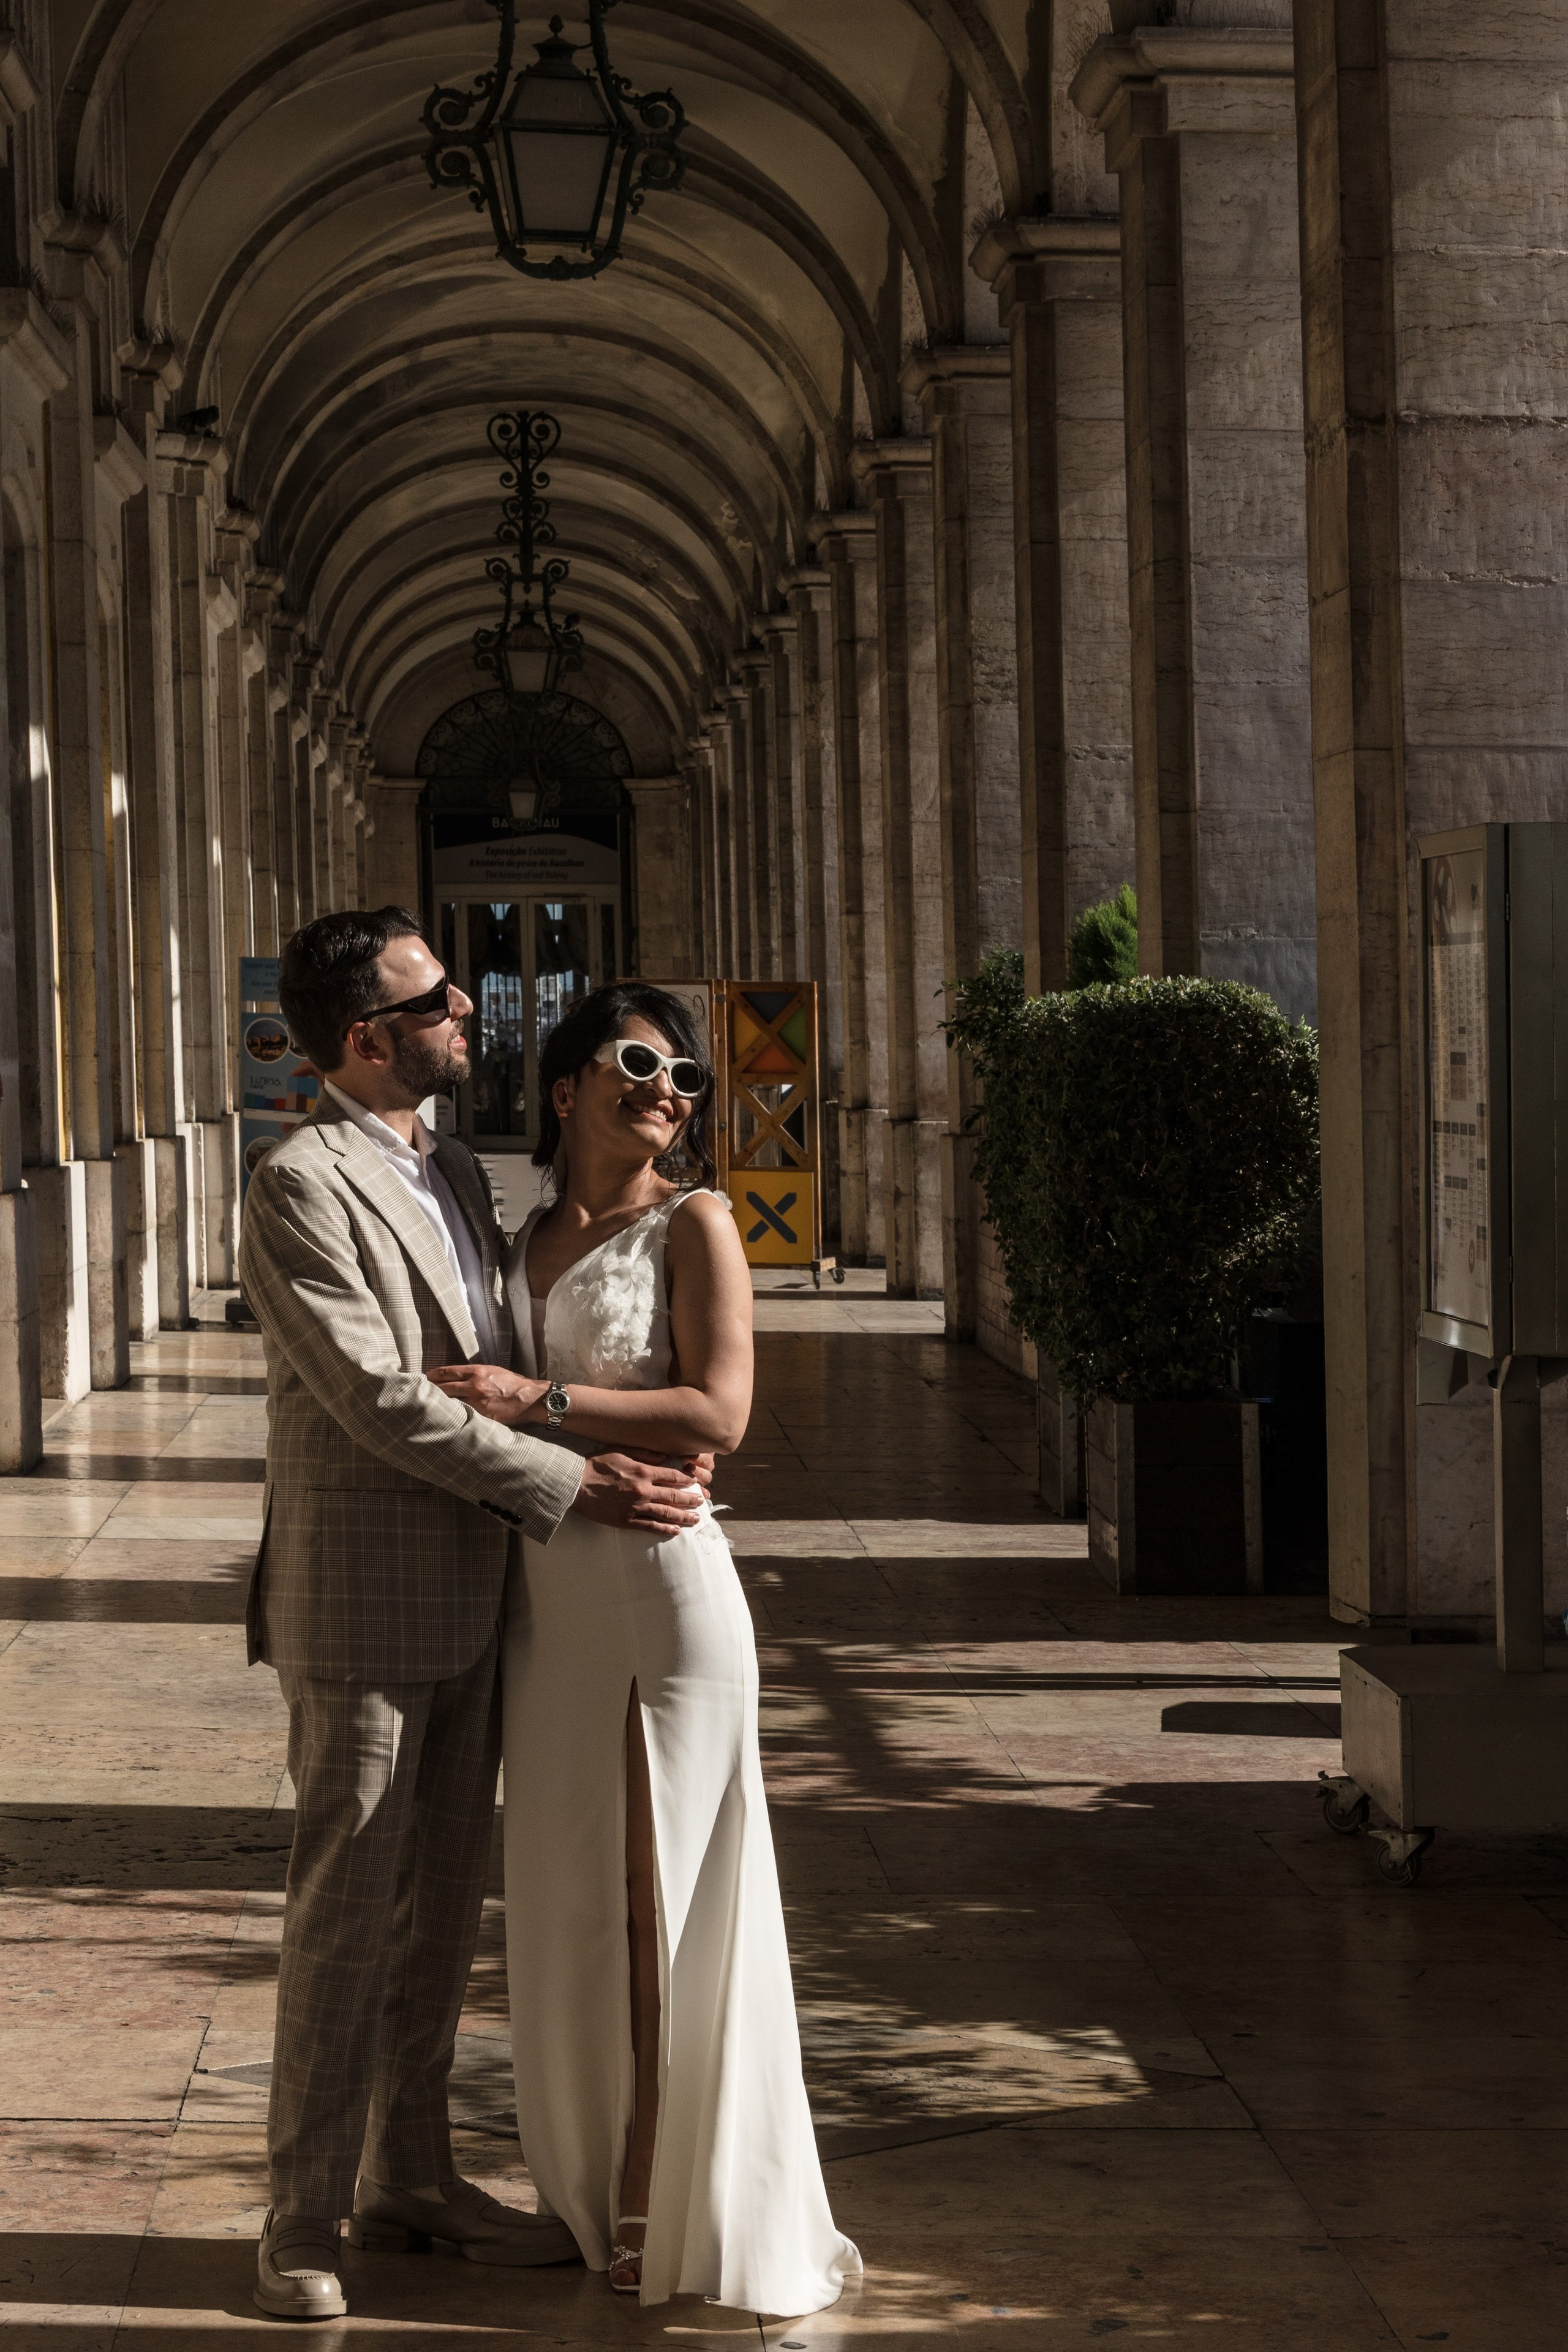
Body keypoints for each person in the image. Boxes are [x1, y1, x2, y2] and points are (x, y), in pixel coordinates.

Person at [238, 912, 710, 2324]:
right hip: (365, 1601)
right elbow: (381, 1399)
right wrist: (574, 1480)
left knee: (438, 1918)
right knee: (346, 1919)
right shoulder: (296, 1183)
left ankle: (412, 2176)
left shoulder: (450, 1163)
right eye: (436, 998)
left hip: (479, 1597)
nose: (466, 1009)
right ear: (369, 1038)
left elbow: (494, 1364)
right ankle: (297, 2223)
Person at [428, 982, 861, 2317]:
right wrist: (541, 1441)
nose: (669, 1088)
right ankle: (574, 2166)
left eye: (686, 1073)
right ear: (563, 1087)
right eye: (637, 1062)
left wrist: (538, 1397)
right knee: (562, 1890)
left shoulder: (699, 1222)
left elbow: (715, 1411)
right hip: (544, 1586)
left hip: (665, 1588)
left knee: (658, 1885)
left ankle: (655, 2181)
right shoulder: (515, 1235)